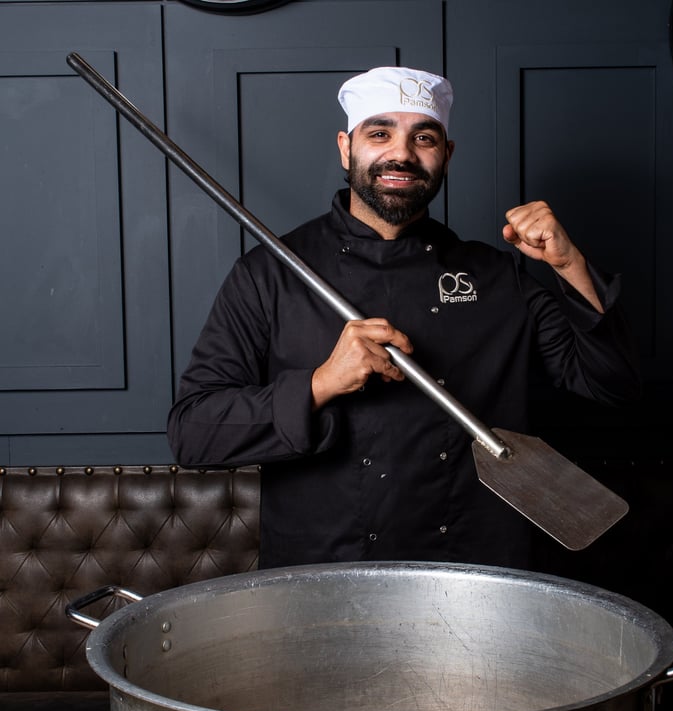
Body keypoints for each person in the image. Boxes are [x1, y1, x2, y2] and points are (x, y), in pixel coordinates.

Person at [167, 66, 640, 570]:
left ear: (447, 156)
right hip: (323, 578)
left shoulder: (500, 276)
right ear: (347, 148)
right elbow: (194, 432)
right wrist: (322, 383)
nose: (401, 154)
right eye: (379, 133)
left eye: (424, 137)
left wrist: (571, 267)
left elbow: (612, 386)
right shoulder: (269, 273)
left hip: (473, 574)